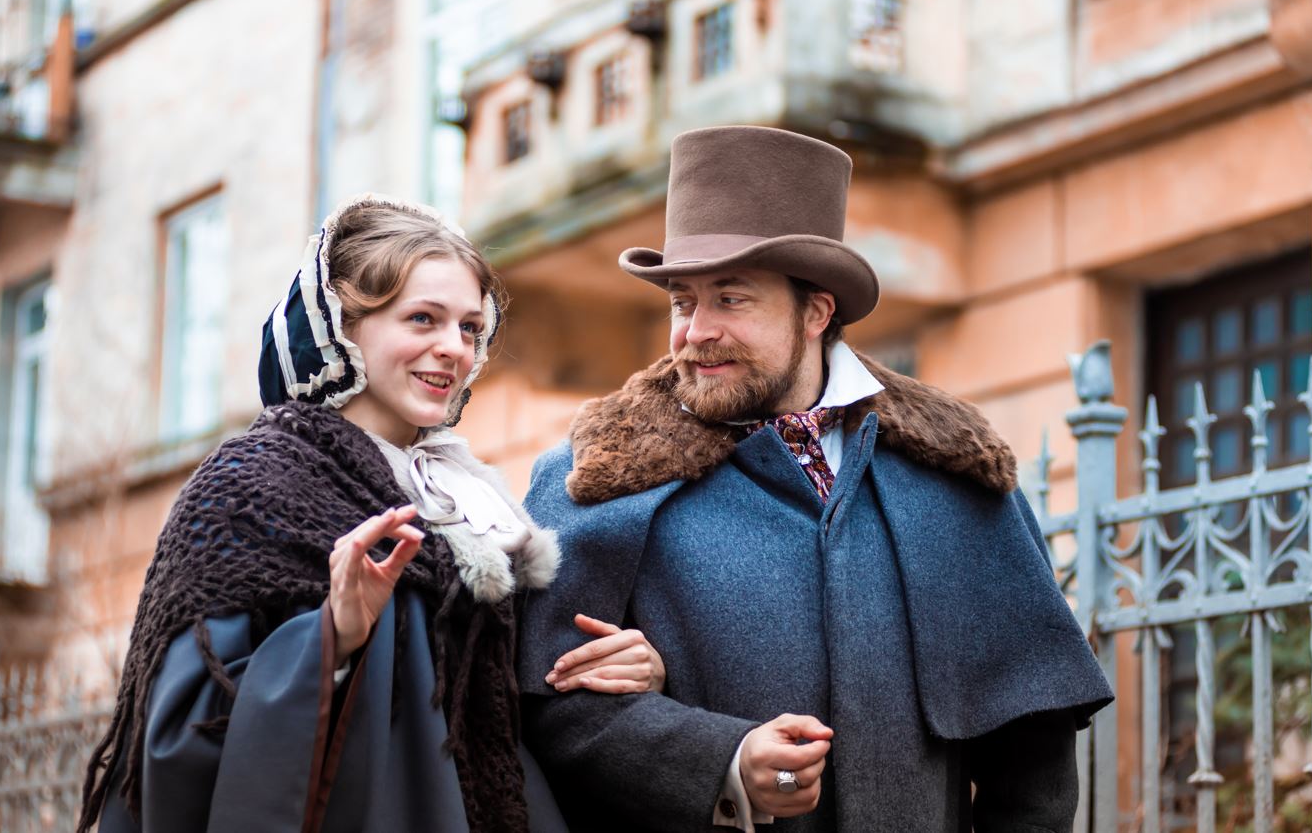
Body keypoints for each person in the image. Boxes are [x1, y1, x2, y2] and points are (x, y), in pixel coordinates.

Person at [517, 126, 1115, 832]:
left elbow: (1034, 764)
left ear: (816, 311)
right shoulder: (593, 478)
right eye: (683, 301)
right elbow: (545, 714)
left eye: (731, 299)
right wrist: (723, 762)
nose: (695, 331)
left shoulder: (957, 474)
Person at [77, 196, 667, 833]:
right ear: (342, 329)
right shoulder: (249, 486)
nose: (454, 349)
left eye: (469, 327)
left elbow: (507, 708)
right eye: (422, 319)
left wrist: (627, 670)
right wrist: (332, 637)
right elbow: (181, 736)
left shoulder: (468, 500)